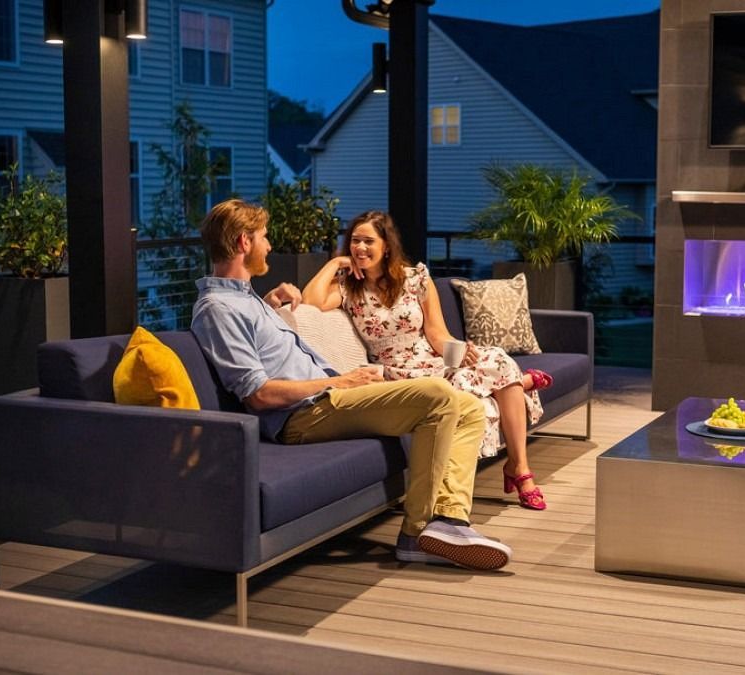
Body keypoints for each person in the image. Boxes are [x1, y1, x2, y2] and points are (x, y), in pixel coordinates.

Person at [190, 199, 511, 570]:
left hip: (328, 400)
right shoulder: (217, 308)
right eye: (264, 238)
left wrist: (268, 302)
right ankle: (417, 531)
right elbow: (259, 395)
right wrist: (343, 380)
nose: (269, 246)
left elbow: (256, 343)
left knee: (467, 406)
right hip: (302, 417)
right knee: (438, 395)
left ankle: (450, 520)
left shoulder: (244, 300)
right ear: (244, 243)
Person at [302, 210, 553, 511]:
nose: (360, 248)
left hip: (431, 358)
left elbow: (436, 333)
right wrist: (334, 262)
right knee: (472, 386)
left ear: (386, 245)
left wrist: (458, 349)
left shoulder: (415, 278)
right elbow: (310, 302)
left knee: (497, 360)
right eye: (355, 241)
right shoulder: (347, 286)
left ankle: (519, 467)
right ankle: (521, 388)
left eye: (368, 241)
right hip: (394, 372)